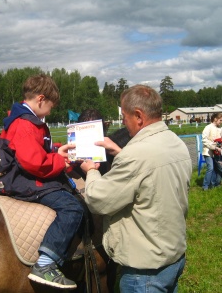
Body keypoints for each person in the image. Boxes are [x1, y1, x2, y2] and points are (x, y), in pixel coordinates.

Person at [80, 85, 192, 293]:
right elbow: (150, 179)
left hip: (145, 271)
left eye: (124, 116)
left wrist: (91, 172)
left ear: (138, 116)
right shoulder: (175, 143)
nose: (123, 122)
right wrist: (121, 152)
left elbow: (97, 200)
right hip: (173, 256)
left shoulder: (136, 155)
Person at [0, 74, 83, 290]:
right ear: (41, 99)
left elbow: (35, 151)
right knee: (72, 207)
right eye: (51, 107)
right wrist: (60, 163)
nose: (51, 112)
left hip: (23, 178)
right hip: (25, 182)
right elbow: (33, 162)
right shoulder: (26, 124)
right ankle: (45, 264)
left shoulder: (23, 121)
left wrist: (55, 151)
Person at [201, 113, 222, 190]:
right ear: (215, 119)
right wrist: (214, 146)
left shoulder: (219, 129)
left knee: (216, 169)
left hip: (217, 153)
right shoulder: (208, 127)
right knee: (210, 167)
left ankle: (212, 185)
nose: (221, 122)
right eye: (220, 120)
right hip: (208, 151)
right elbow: (204, 139)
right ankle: (205, 186)